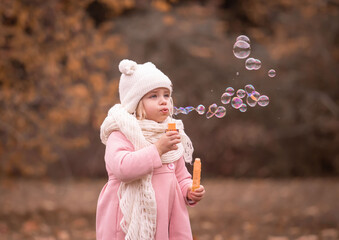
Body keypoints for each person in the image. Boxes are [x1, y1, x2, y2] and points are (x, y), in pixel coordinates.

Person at [97, 59, 205, 240]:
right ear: (136, 102)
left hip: (168, 218)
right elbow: (122, 168)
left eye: (166, 95)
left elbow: (180, 176)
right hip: (129, 219)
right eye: (153, 96)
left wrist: (189, 191)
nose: (163, 101)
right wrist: (157, 149)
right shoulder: (121, 132)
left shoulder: (170, 132)